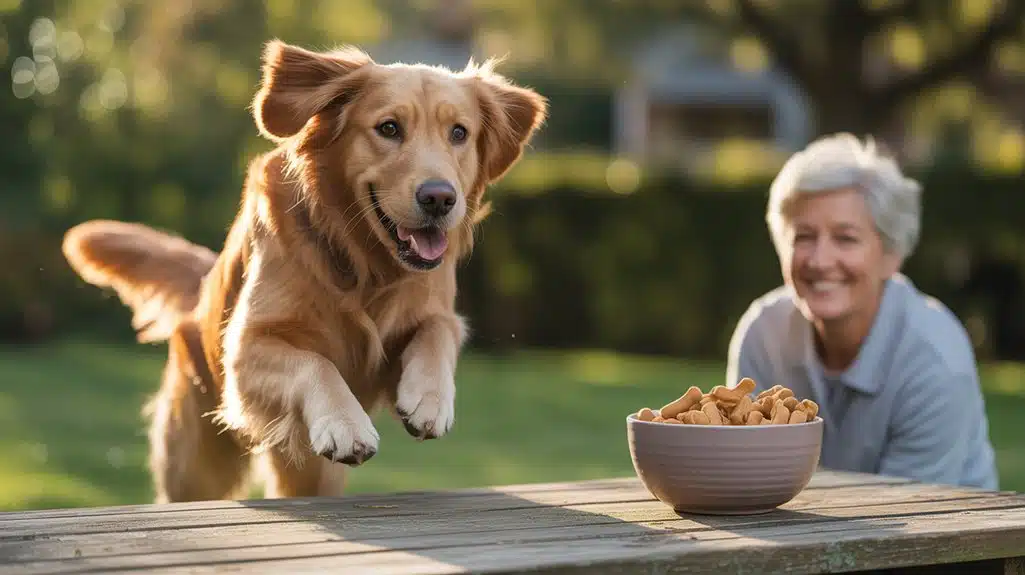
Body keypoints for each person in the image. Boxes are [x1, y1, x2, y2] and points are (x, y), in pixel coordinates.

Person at [725, 132, 999, 490]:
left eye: (846, 238)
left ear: (891, 255)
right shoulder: (762, 334)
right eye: (804, 236)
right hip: (803, 534)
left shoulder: (934, 360)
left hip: (947, 536)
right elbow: (746, 478)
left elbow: (907, 517)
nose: (821, 261)